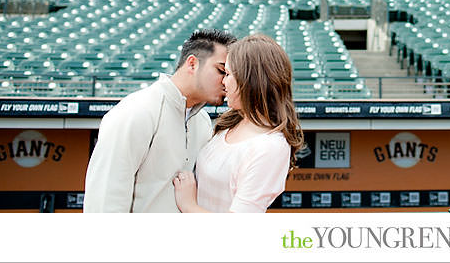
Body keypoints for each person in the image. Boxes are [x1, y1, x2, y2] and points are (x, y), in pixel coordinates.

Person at [83, 28, 236, 212]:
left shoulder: (203, 120)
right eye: (221, 70)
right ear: (192, 64)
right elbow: (104, 200)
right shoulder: (137, 110)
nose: (226, 81)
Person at [172, 33, 304, 213]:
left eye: (227, 74)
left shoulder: (270, 147)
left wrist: (189, 205)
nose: (223, 82)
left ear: (250, 80)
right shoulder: (231, 122)